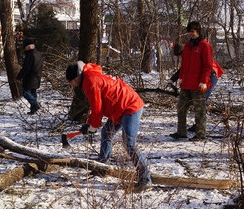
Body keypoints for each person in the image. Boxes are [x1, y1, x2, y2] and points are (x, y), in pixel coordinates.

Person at [66, 61, 152, 191]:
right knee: (106, 133)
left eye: (71, 81)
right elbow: (96, 106)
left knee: (129, 142)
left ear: (76, 76)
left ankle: (145, 179)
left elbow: (97, 108)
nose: (72, 85)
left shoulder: (90, 81)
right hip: (118, 109)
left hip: (130, 107)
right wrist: (90, 124)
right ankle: (102, 167)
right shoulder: (90, 77)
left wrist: (93, 126)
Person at [169, 21, 216, 141]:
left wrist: (204, 81)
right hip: (187, 83)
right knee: (181, 107)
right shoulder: (188, 46)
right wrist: (181, 78)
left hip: (199, 84)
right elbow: (184, 65)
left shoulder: (205, 46)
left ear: (198, 32)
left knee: (199, 110)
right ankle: (181, 132)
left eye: (193, 32)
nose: (190, 34)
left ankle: (200, 135)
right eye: (189, 32)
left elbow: (207, 66)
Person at [169, 50, 224, 132]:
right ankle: (198, 125)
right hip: (205, 76)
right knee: (198, 100)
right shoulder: (190, 54)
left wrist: (172, 79)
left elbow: (184, 69)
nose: (181, 58)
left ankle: (199, 126)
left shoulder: (193, 55)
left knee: (201, 100)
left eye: (181, 55)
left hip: (211, 76)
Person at [17, 39, 44, 114]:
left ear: (28, 47)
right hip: (37, 76)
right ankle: (33, 110)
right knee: (33, 91)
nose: (24, 49)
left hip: (30, 77)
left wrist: (19, 77)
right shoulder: (38, 54)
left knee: (26, 93)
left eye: (25, 48)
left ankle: (35, 105)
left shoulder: (30, 55)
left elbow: (26, 68)